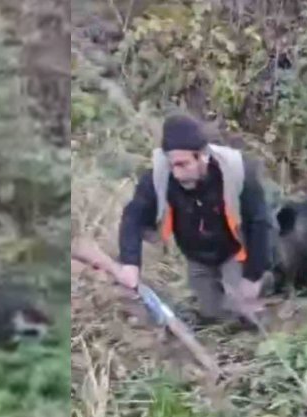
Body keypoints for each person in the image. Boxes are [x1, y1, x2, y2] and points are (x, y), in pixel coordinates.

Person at [114, 112, 275, 327]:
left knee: (245, 312)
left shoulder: (237, 171)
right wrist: (130, 263)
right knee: (214, 315)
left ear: (203, 156)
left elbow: (259, 223)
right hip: (197, 257)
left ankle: (269, 278)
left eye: (183, 165)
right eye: (173, 166)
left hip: (235, 252)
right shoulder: (158, 177)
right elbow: (133, 216)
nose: (177, 175)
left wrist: (253, 276)